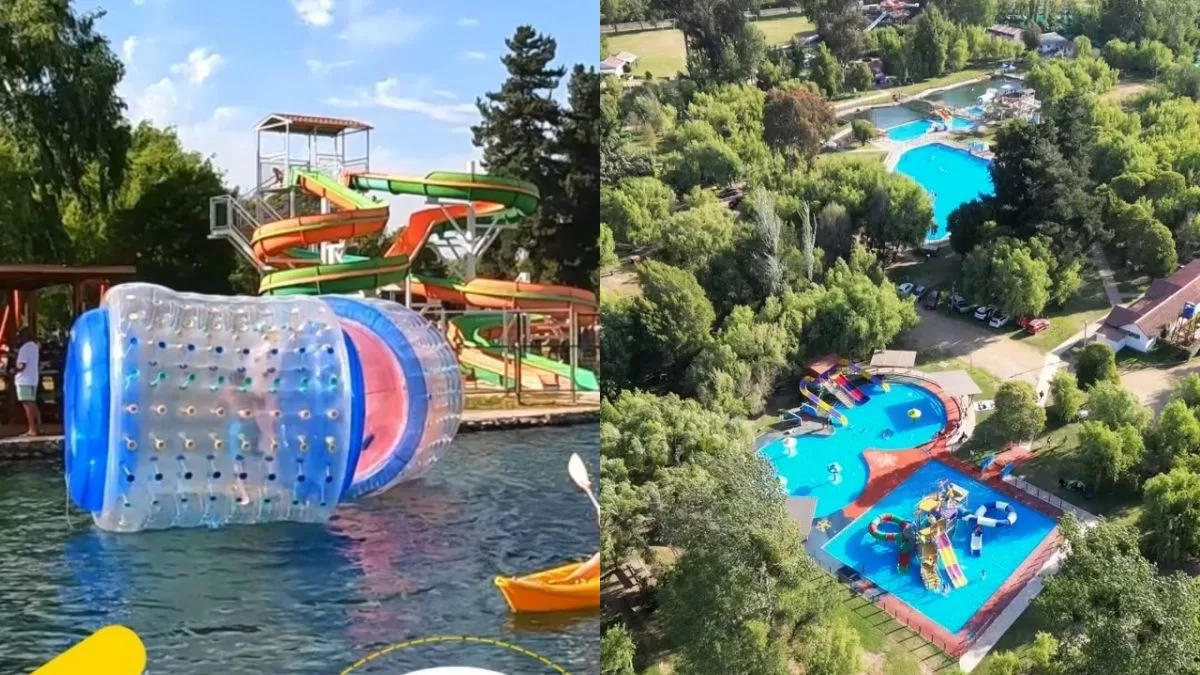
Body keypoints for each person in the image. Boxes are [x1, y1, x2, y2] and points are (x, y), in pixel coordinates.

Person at [13, 327, 41, 436]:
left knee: (27, 405)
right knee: (33, 404)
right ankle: (39, 427)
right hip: (33, 378)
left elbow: (21, 365)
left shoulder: (24, 348)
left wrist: (13, 369)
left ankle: (32, 429)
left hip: (23, 380)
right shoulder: (34, 346)